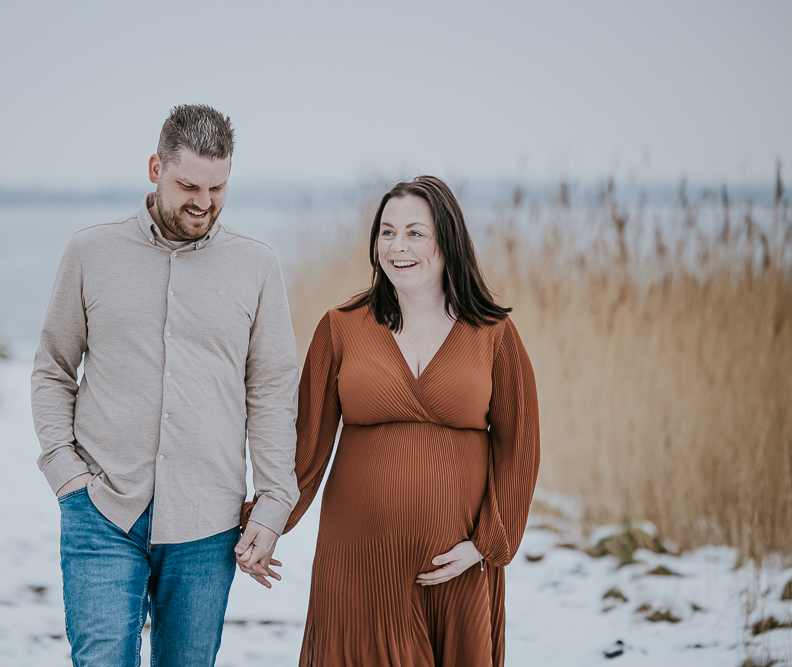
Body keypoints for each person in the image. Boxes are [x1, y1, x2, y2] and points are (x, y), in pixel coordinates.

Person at [31, 104, 300, 667]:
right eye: (188, 185)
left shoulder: (257, 266)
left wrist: (275, 501)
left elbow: (272, 392)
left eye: (218, 187)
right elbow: (53, 367)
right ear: (155, 167)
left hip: (208, 523)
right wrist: (64, 470)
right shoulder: (89, 252)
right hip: (102, 509)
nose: (203, 202)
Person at [246, 175, 540, 666]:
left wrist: (485, 546)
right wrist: (267, 522)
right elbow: (307, 445)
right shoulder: (341, 326)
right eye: (386, 232)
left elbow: (520, 448)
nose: (397, 246)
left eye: (414, 233)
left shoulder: (494, 333)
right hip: (359, 563)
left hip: (455, 568)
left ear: (447, 240)